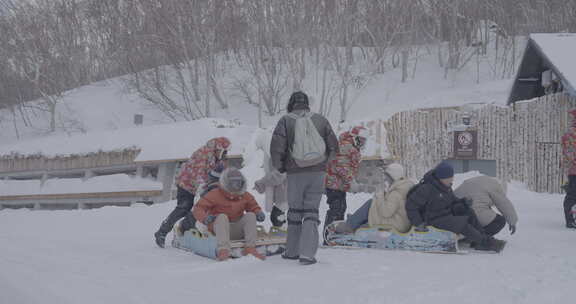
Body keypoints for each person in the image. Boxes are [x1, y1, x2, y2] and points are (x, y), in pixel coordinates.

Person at [270, 91, 339, 265]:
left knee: (294, 211)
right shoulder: (321, 120)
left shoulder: (285, 120)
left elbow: (277, 147)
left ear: (291, 103)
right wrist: (324, 164)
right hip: (318, 173)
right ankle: (308, 254)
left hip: (295, 173)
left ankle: (292, 251)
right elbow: (334, 147)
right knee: (311, 212)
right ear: (307, 103)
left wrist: (281, 167)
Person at [405, 161, 506, 252]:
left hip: (445, 215)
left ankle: (481, 240)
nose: (452, 179)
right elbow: (410, 206)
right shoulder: (426, 189)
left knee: (469, 212)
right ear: (441, 177)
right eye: (449, 177)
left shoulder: (445, 187)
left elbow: (453, 202)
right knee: (461, 224)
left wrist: (463, 203)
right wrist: (418, 223)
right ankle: (487, 243)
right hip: (432, 219)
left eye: (452, 177)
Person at [154, 137, 231, 248]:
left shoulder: (217, 157)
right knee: (184, 208)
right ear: (218, 148)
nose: (226, 154)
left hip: (201, 186)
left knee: (203, 208)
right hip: (187, 185)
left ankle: (186, 230)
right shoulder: (203, 154)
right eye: (224, 151)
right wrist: (204, 187)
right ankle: (162, 232)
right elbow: (198, 174)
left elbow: (220, 172)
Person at [192, 167, 267, 261]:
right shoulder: (215, 194)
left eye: (238, 182)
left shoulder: (244, 195)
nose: (236, 185)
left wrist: (258, 212)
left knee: (250, 215)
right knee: (222, 217)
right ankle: (223, 250)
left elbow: (253, 206)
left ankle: (250, 248)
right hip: (218, 231)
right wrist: (205, 218)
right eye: (233, 182)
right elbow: (199, 208)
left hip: (236, 229)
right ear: (227, 182)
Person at [333, 163, 413, 234]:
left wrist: (380, 196)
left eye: (388, 177)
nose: (386, 179)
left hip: (395, 223)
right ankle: (354, 221)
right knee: (371, 206)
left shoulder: (396, 193)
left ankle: (350, 225)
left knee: (371, 204)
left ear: (393, 177)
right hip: (400, 221)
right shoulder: (402, 187)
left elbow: (386, 212)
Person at [324, 126, 369, 232]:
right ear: (355, 138)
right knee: (336, 208)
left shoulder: (351, 147)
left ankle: (336, 232)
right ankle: (329, 232)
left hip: (339, 185)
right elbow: (341, 166)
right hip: (333, 184)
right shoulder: (345, 146)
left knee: (341, 208)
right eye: (361, 140)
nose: (362, 143)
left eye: (364, 141)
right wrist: (351, 181)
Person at [454, 175, 518, 236]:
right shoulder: (496, 186)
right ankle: (481, 239)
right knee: (499, 221)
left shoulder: (482, 180)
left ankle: (467, 235)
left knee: (486, 212)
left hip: (454, 211)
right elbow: (503, 203)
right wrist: (512, 221)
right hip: (470, 213)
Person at [253, 129, 288, 228]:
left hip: (286, 192)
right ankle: (284, 232)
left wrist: (261, 183)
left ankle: (285, 234)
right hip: (282, 192)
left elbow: (277, 176)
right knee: (277, 215)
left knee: (277, 216)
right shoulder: (272, 154)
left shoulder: (282, 155)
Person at [561, 109, 576, 229]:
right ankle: (570, 220)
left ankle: (571, 219)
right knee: (572, 195)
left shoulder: (568, 134)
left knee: (572, 194)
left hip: (572, 170)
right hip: (574, 170)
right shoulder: (570, 135)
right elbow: (569, 153)